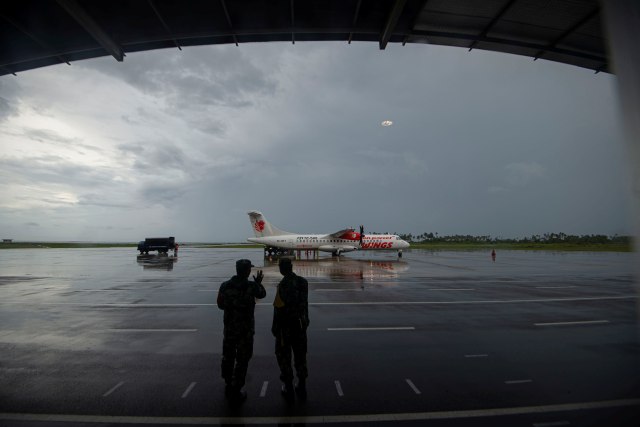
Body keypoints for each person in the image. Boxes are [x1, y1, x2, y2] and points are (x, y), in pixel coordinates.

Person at [217, 259, 266, 402]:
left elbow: (220, 305)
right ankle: (236, 388)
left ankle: (227, 381)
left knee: (228, 356)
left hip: (230, 329)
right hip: (246, 330)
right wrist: (258, 283)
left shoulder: (225, 286)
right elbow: (262, 294)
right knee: (243, 359)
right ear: (247, 271)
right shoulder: (251, 286)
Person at [272, 257, 309, 399]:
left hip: (285, 328)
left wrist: (275, 328)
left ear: (282, 268)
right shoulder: (303, 282)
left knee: (284, 357)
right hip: (300, 326)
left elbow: (278, 308)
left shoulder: (282, 285)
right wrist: (305, 322)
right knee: (300, 357)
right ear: (291, 267)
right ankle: (302, 385)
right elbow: (304, 305)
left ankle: (288, 386)